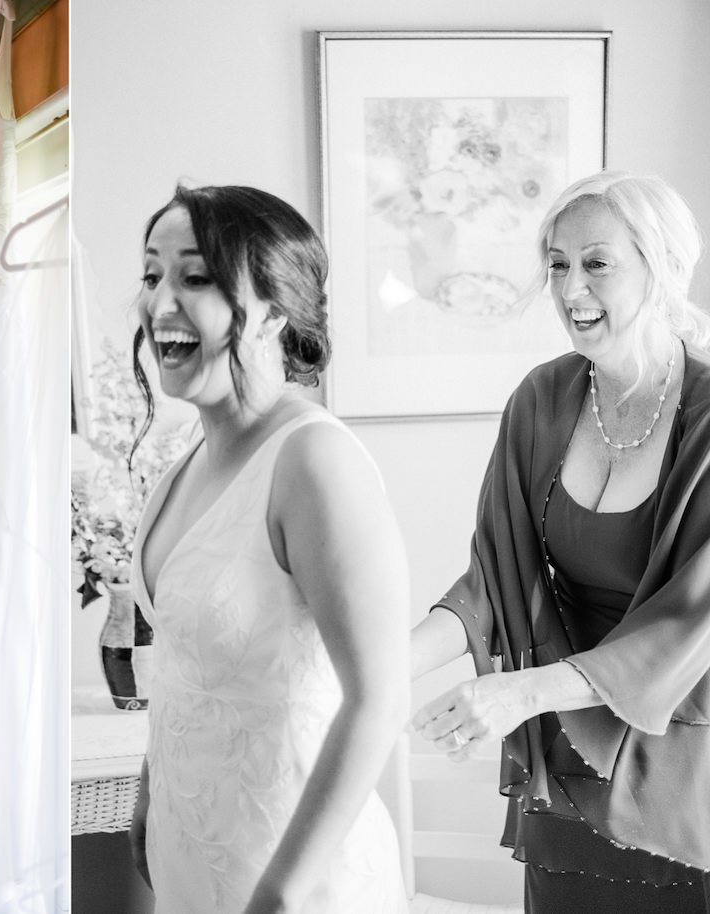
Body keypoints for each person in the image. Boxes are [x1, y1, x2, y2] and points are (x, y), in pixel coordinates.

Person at [411, 171, 710, 912]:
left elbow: (690, 622)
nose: (570, 287)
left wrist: (521, 690)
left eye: (597, 262)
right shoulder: (542, 399)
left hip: (687, 771)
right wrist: (381, 668)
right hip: (568, 763)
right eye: (556, 262)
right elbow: (492, 579)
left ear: (665, 265)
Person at [127, 185, 409, 914]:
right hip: (193, 861)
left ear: (277, 310)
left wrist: (284, 892)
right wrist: (149, 791)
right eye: (152, 274)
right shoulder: (181, 468)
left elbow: (379, 699)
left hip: (295, 879)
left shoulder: (315, 462)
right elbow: (185, 668)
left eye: (195, 277)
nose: (161, 303)